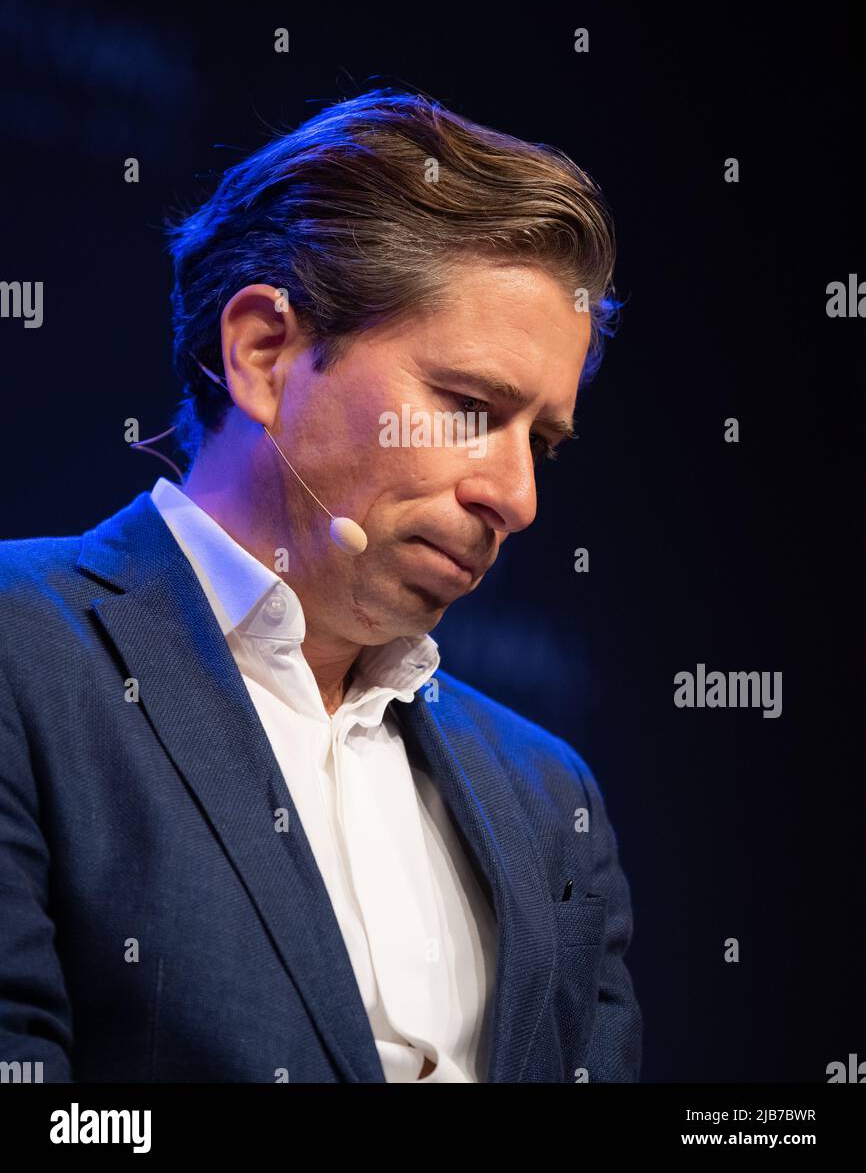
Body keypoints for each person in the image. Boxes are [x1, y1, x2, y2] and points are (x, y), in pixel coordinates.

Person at [0, 89, 641, 1083]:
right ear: (264, 354)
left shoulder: (551, 796)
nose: (516, 497)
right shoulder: (22, 652)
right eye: (470, 408)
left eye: (541, 444)